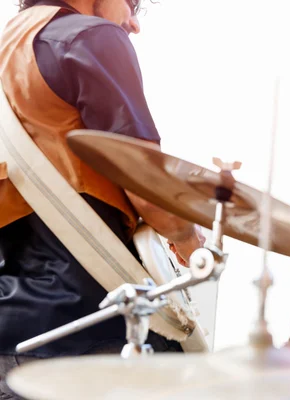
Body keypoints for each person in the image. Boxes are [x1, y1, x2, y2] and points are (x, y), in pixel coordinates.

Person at [0, 0, 205, 396]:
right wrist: (188, 239)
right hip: (90, 335)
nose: (133, 22)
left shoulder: (10, 52)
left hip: (10, 340)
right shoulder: (88, 35)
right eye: (132, 4)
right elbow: (147, 186)